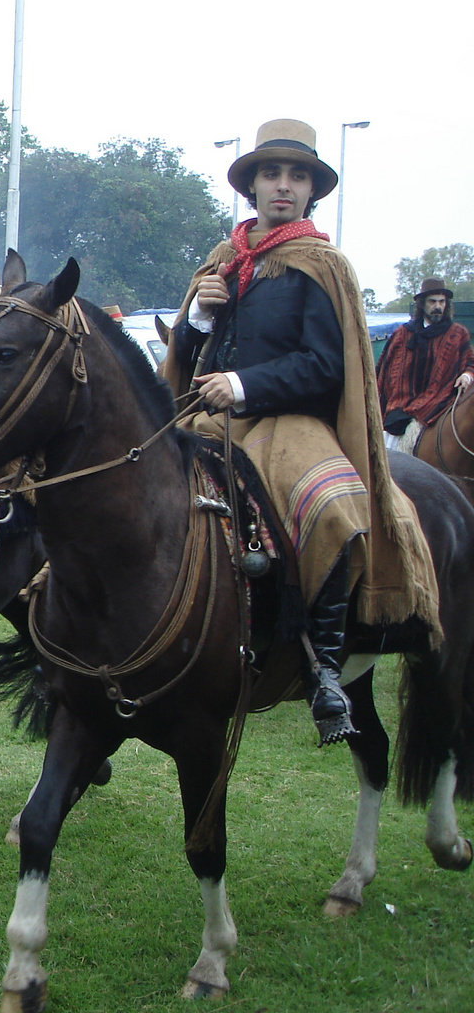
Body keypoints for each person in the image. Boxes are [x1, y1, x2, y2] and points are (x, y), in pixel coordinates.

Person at [163, 118, 439, 746]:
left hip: (289, 424)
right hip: (210, 419)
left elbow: (325, 366)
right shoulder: (222, 261)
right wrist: (201, 320)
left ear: (311, 189)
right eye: (271, 173)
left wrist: (245, 384)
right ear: (252, 184)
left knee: (335, 506)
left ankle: (325, 669)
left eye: (296, 175)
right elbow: (186, 356)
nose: (282, 185)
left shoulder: (321, 265)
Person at [376, 277, 474, 452]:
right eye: (432, 301)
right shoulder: (402, 334)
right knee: (386, 450)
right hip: (399, 406)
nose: (438, 306)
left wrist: (467, 375)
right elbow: (383, 370)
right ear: (422, 304)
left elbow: (470, 363)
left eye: (442, 302)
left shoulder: (457, 334)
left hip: (439, 403)